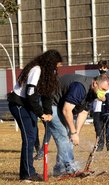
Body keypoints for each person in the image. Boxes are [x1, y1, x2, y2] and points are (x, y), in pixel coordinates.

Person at [7, 50, 63, 182]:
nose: (57, 69)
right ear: (50, 63)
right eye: (56, 65)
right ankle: (27, 175)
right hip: (19, 104)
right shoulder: (36, 70)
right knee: (29, 138)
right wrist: (41, 114)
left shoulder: (49, 73)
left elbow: (47, 95)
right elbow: (30, 94)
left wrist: (48, 112)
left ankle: (27, 172)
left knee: (32, 136)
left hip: (29, 105)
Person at [48, 73, 109, 176]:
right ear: (95, 83)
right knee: (63, 136)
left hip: (62, 107)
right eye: (103, 89)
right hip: (51, 104)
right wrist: (73, 132)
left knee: (69, 137)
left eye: (105, 91)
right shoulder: (80, 87)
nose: (103, 93)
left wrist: (76, 133)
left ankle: (59, 168)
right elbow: (67, 110)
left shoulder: (92, 92)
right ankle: (71, 168)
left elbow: (83, 112)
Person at [93, 60, 109, 152]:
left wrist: (107, 97)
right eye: (100, 67)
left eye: (104, 67)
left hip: (108, 108)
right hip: (97, 108)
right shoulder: (95, 79)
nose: (102, 69)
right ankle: (99, 144)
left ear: (107, 68)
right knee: (98, 127)